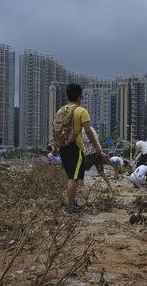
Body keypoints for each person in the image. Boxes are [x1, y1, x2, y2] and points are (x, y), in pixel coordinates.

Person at [52, 83, 108, 214]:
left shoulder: (60, 111)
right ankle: (70, 206)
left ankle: (72, 201)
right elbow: (88, 131)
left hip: (63, 148)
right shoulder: (81, 111)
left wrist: (55, 148)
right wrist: (98, 150)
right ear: (79, 96)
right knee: (73, 177)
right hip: (75, 148)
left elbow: (56, 132)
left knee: (72, 176)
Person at [82, 126, 114, 192]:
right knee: (101, 172)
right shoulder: (91, 128)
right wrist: (101, 152)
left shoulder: (83, 130)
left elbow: (87, 141)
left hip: (91, 152)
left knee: (81, 170)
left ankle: (81, 188)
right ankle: (110, 188)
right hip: (98, 151)